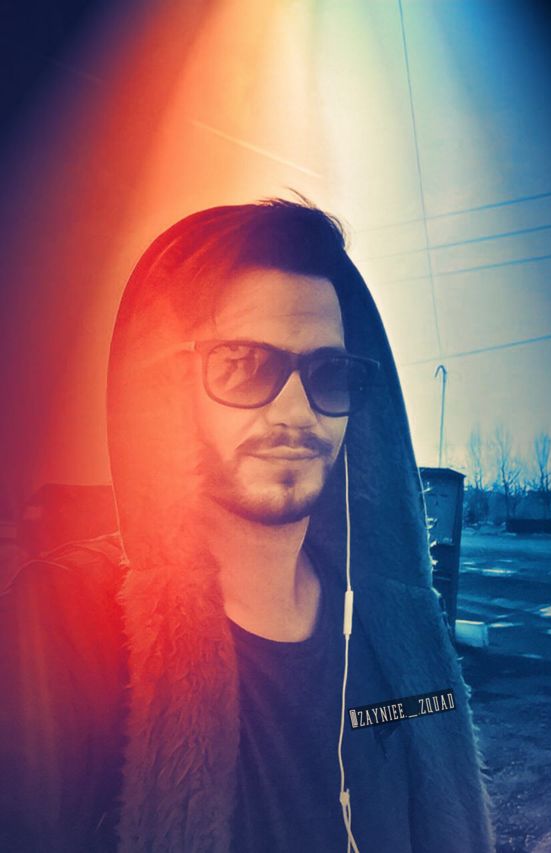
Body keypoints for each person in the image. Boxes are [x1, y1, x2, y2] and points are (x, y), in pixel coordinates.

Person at [0, 199, 493, 852]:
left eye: (329, 374)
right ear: (174, 393)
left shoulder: (395, 635)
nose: (296, 411)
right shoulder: (62, 625)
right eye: (243, 364)